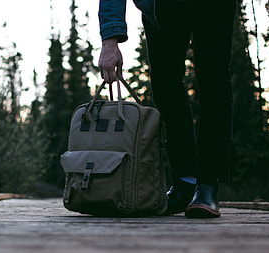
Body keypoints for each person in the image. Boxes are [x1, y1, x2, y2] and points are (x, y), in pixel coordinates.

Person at [98, 0, 236, 218]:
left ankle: (208, 183)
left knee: (213, 80)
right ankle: (184, 181)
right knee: (165, 86)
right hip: (161, 6)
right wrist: (109, 40)